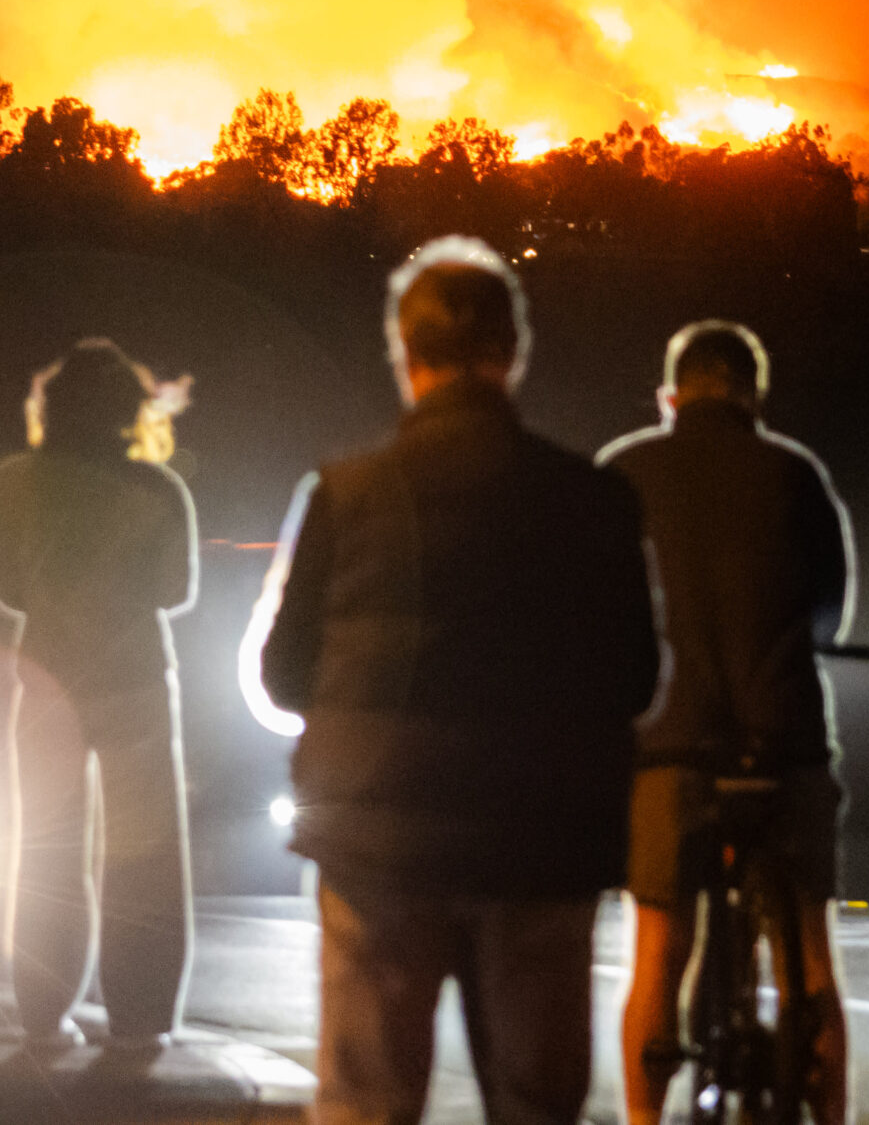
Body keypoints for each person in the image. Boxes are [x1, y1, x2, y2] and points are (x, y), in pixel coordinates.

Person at [250, 237, 659, 1125]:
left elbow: (282, 675)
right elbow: (636, 678)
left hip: (374, 845)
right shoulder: (593, 497)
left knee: (365, 1100)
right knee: (536, 1102)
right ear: (512, 353)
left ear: (405, 353)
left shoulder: (344, 493)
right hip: (542, 843)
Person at [600, 320, 857, 1125]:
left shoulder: (623, 473)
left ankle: (645, 1119)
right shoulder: (795, 473)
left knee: (658, 950)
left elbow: (601, 615)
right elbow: (828, 610)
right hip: (783, 743)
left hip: (666, 746)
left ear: (670, 396)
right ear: (754, 395)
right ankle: (828, 1112)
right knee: (809, 951)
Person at [0, 338, 199, 1051]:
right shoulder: (160, 490)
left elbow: (7, 587)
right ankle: (141, 1019)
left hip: (46, 679)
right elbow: (177, 589)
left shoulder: (14, 481)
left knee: (46, 849)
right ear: (127, 412)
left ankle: (44, 1011)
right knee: (142, 855)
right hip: (134, 681)